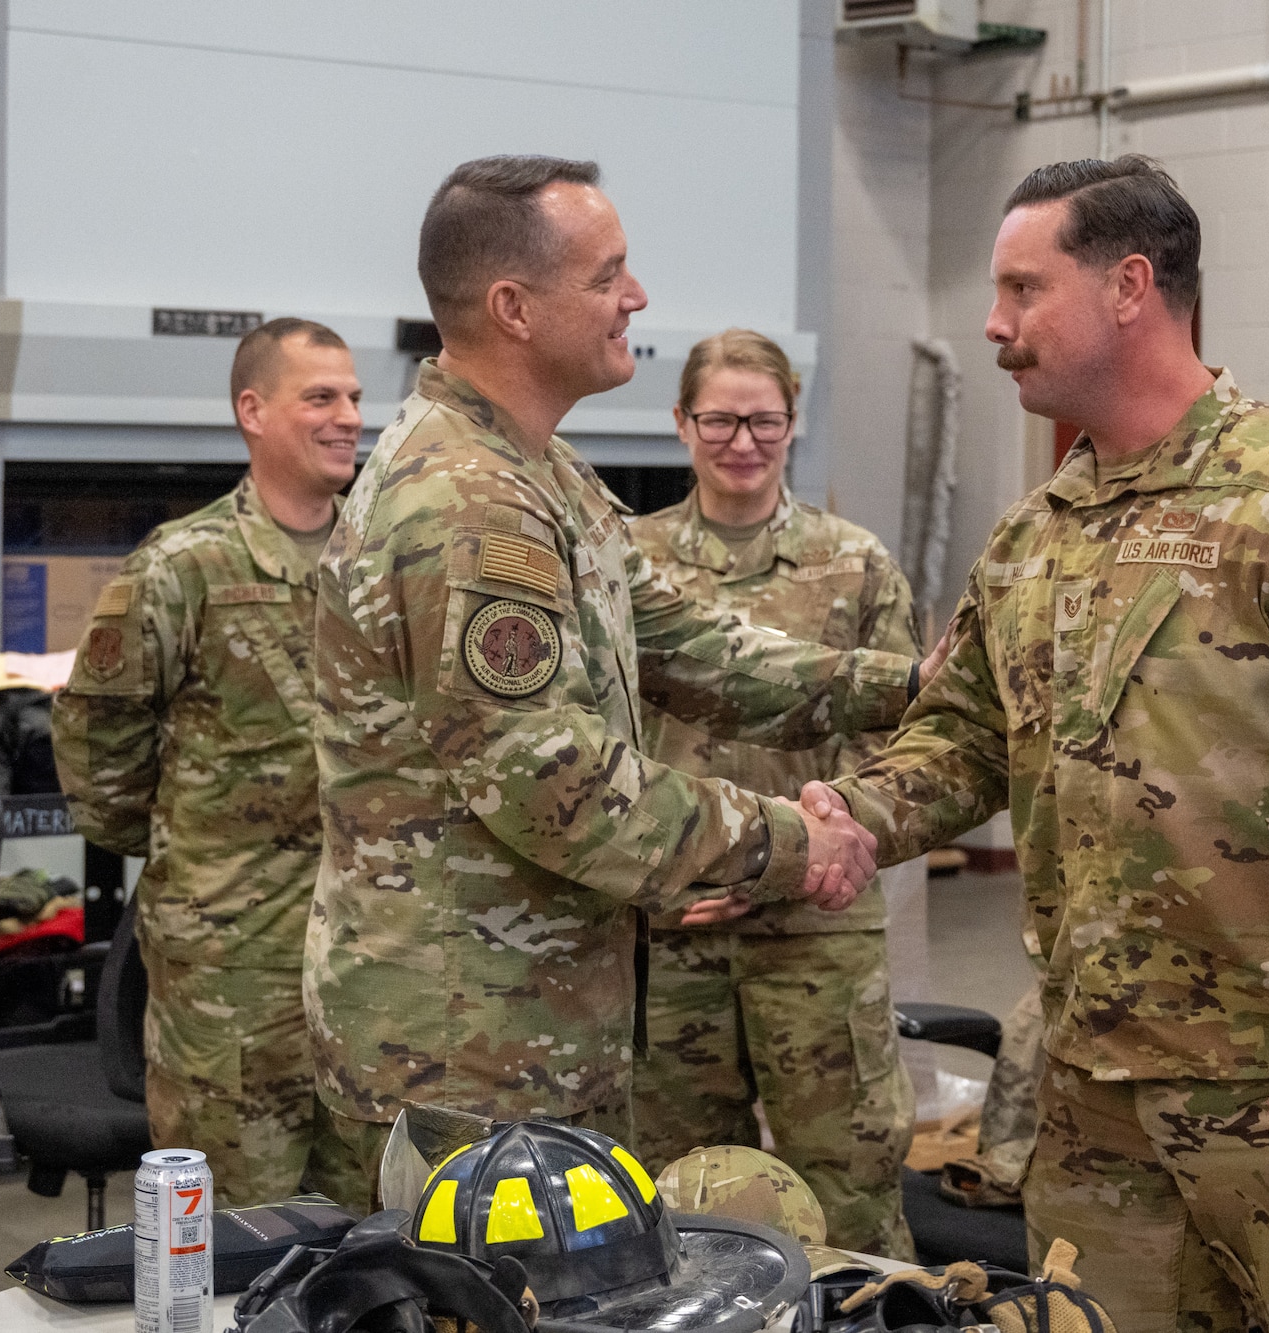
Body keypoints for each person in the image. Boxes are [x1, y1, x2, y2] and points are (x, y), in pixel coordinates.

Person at [803, 155, 1269, 1332]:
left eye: (1021, 289)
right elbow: (964, 740)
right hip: (1093, 1082)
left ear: (1128, 288)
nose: (993, 324)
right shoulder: (1034, 534)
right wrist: (846, 821)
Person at [305, 156, 915, 1213]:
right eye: (607, 275)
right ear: (514, 307)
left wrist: (902, 687)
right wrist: (791, 842)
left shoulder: (540, 470)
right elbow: (559, 785)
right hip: (465, 1054)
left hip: (529, 1025)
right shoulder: (467, 501)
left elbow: (683, 640)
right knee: (482, 1290)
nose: (635, 296)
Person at [53, 317, 363, 1204]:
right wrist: (195, 855)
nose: (348, 416)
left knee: (365, 1232)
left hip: (366, 961)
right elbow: (98, 744)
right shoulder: (184, 566)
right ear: (252, 411)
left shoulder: (381, 561)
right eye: (321, 397)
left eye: (353, 397)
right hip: (233, 972)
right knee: (233, 1231)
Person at [628, 329, 921, 1258]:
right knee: (674, 1195)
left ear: (795, 423)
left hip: (818, 927)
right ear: (682, 422)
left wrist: (808, 851)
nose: (743, 442)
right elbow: (599, 744)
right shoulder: (630, 563)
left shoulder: (854, 562)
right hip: (676, 931)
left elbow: (904, 745)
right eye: (720, 419)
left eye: (765, 420)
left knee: (850, 1185)